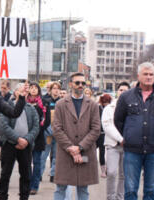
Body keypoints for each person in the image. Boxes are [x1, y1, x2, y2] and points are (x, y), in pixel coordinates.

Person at [113, 62, 154, 200]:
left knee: (151, 190)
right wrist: (128, 135)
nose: (148, 77)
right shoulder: (126, 97)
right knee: (130, 189)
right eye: (145, 74)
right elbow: (118, 120)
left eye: (151, 74)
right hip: (132, 150)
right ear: (138, 76)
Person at [51, 72, 101, 200]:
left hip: (85, 152)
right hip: (65, 152)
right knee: (61, 188)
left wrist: (79, 148)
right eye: (77, 82)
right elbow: (57, 129)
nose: (80, 85)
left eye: (83, 83)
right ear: (70, 84)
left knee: (83, 188)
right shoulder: (61, 104)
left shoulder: (93, 105)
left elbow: (96, 129)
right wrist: (71, 148)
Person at [0, 83, 38, 200]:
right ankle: (3, 196)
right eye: (21, 91)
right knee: (5, 174)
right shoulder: (7, 107)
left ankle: (24, 197)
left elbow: (36, 127)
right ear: (15, 93)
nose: (23, 94)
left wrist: (26, 140)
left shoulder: (31, 108)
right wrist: (17, 139)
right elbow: (4, 126)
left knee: (26, 174)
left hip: (25, 146)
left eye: (25, 92)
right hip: (9, 144)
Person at [102, 82, 131, 200]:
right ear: (117, 91)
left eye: (125, 90)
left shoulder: (132, 108)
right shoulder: (109, 108)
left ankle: (120, 197)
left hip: (128, 146)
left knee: (124, 174)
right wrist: (120, 139)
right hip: (113, 144)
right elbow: (107, 125)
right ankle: (110, 197)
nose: (122, 92)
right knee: (112, 172)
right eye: (120, 90)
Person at [28, 82, 48, 195]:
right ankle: (27, 183)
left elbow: (47, 121)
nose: (33, 90)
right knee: (26, 163)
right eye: (31, 88)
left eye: (36, 88)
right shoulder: (25, 102)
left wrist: (37, 130)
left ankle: (34, 186)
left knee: (36, 162)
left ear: (39, 90)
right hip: (26, 137)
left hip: (39, 137)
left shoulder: (44, 103)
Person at [40, 82, 61, 183]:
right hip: (47, 132)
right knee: (44, 155)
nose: (56, 90)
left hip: (58, 133)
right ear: (51, 90)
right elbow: (43, 117)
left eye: (58, 89)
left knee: (56, 156)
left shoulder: (62, 102)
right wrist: (46, 129)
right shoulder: (45, 101)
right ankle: (39, 174)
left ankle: (53, 175)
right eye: (54, 88)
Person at [98, 94, 113, 177]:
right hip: (99, 133)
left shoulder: (112, 109)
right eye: (104, 102)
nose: (106, 104)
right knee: (102, 152)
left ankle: (107, 169)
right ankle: (103, 170)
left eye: (107, 102)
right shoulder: (98, 108)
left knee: (109, 152)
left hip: (108, 133)